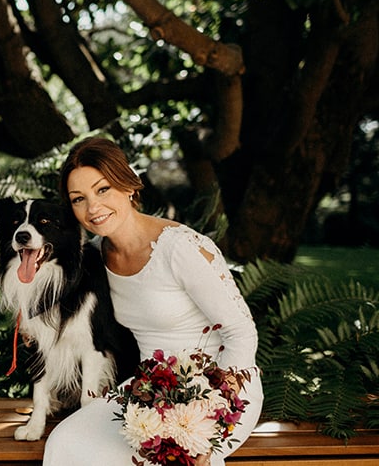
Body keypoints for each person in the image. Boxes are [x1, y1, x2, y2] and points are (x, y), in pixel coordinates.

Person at [43, 137, 263, 466]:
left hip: (221, 388)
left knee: (165, 459)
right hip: (148, 392)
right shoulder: (97, 256)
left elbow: (241, 333)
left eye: (103, 190)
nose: (93, 208)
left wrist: (211, 417)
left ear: (129, 186)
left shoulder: (180, 248)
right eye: (79, 199)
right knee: (66, 443)